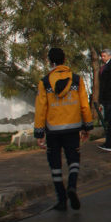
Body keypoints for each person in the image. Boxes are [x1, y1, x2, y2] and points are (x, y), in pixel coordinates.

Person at [33, 47, 93, 210]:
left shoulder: (44, 83)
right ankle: (72, 186)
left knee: (55, 164)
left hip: (53, 130)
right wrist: (87, 126)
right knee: (73, 159)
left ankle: (61, 199)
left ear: (50, 62)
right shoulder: (76, 80)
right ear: (64, 60)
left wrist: (39, 132)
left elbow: (41, 109)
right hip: (72, 128)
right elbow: (84, 105)